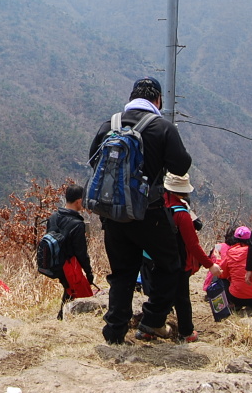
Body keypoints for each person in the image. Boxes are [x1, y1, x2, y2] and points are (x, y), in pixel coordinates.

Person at [88, 77, 192, 344]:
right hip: (150, 213)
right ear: (158, 100)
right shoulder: (162, 127)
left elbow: (93, 161)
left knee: (122, 274)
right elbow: (181, 166)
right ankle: (153, 320)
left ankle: (114, 332)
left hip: (113, 214)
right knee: (169, 266)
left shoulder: (109, 125)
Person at [144, 172, 219, 343]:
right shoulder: (182, 214)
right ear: (184, 191)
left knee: (158, 294)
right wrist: (210, 265)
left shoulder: (154, 206)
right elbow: (193, 245)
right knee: (182, 299)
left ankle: (148, 328)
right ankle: (186, 332)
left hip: (155, 259)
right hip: (178, 263)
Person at [45, 183, 95, 320]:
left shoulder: (53, 217)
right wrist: (89, 271)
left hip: (53, 262)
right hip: (68, 264)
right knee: (74, 290)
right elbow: (81, 252)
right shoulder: (77, 224)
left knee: (68, 289)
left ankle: (62, 316)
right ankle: (63, 317)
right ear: (78, 201)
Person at [218, 226, 252, 310]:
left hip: (237, 298)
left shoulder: (231, 252)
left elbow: (222, 274)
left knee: (222, 281)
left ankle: (234, 304)